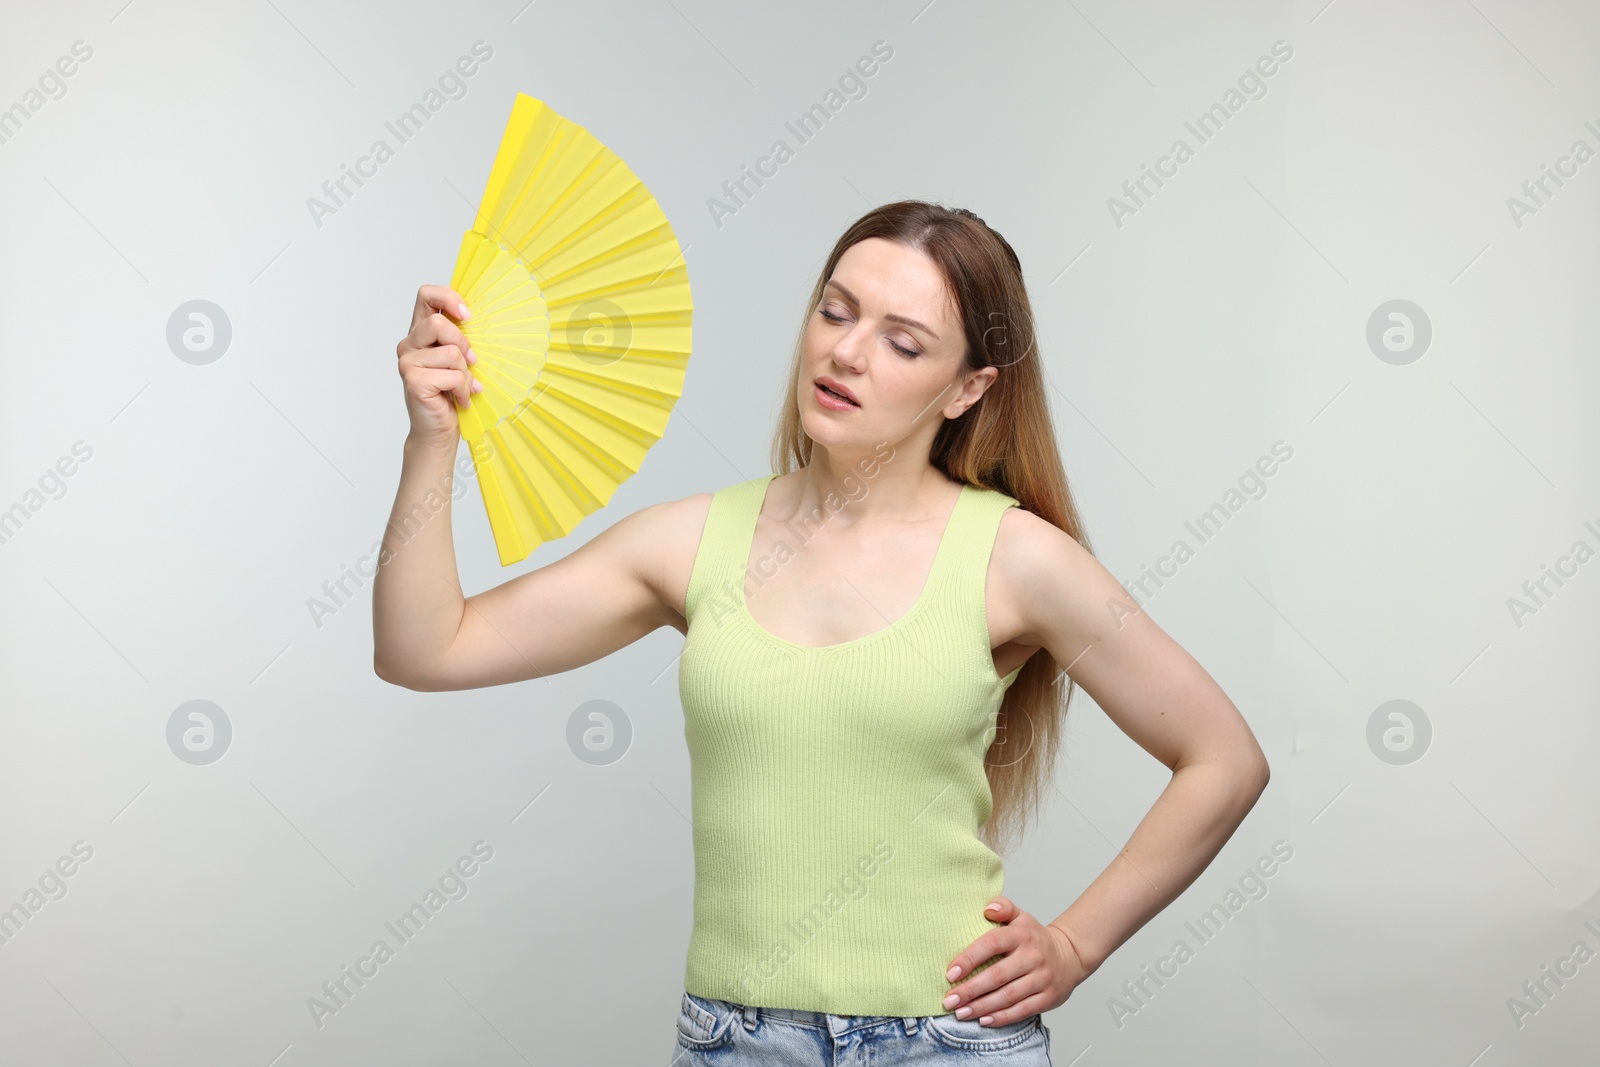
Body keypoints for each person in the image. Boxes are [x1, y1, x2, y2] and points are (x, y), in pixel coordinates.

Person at [372, 200, 1270, 1064]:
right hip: (737, 1044)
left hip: (951, 1043)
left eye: (902, 341)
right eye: (835, 311)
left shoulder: (1014, 559)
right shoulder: (690, 542)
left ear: (969, 388)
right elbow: (426, 649)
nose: (845, 351)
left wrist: (1074, 946)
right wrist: (432, 441)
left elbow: (1223, 757)